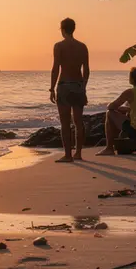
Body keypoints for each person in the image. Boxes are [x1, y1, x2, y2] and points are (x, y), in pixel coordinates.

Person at [49, 18, 90, 163]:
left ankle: (68, 155)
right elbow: (86, 69)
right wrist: (83, 86)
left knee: (65, 123)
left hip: (64, 85)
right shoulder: (82, 47)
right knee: (78, 122)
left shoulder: (59, 46)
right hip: (78, 85)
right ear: (73, 29)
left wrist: (52, 88)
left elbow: (55, 68)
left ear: (62, 29)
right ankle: (78, 153)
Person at [97, 67, 136, 156]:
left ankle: (109, 148)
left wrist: (119, 109)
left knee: (110, 113)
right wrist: (127, 109)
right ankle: (120, 140)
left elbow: (111, 107)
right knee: (128, 114)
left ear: (131, 79)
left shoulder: (130, 92)